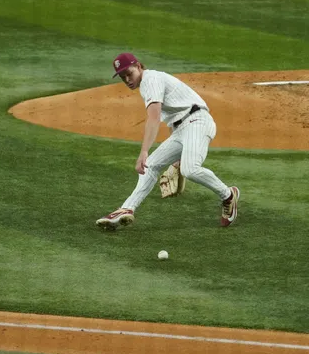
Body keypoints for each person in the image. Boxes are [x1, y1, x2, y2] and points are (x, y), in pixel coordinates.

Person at [96, 53, 240, 230]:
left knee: (190, 169)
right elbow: (174, 119)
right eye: (122, 76)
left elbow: (154, 117)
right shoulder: (147, 84)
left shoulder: (151, 80)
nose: (127, 79)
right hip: (183, 128)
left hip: (198, 122)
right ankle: (127, 208)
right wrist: (176, 160)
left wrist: (143, 151)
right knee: (151, 165)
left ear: (139, 66)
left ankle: (228, 195)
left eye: (129, 73)